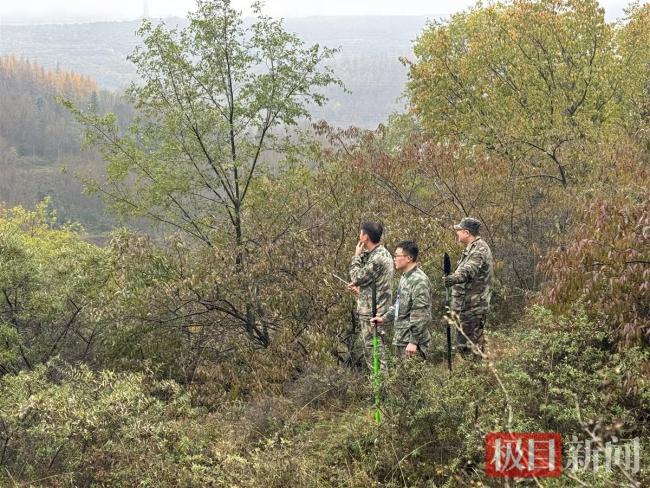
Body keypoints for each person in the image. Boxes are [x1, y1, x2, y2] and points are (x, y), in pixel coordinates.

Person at [371, 240, 431, 359]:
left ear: (408, 258)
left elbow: (420, 313)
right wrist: (383, 319)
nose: (394, 259)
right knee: (402, 377)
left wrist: (413, 342)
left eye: (397, 256)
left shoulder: (419, 280)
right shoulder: (405, 277)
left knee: (413, 377)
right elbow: (399, 304)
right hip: (401, 339)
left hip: (411, 343)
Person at [443, 217, 493, 356]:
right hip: (466, 307)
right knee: (464, 347)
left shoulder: (479, 249)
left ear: (466, 232)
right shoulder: (471, 248)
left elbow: (468, 270)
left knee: (470, 349)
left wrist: (452, 279)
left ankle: (475, 376)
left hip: (473, 308)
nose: (457, 233)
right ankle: (471, 374)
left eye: (459, 230)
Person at [348, 222, 394, 370]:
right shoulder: (380, 253)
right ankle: (379, 389)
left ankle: (380, 391)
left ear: (365, 237)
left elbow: (356, 276)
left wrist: (356, 256)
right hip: (376, 309)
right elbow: (374, 283)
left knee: (376, 356)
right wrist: (361, 292)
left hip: (374, 314)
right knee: (376, 353)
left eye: (360, 233)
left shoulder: (377, 258)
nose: (359, 236)